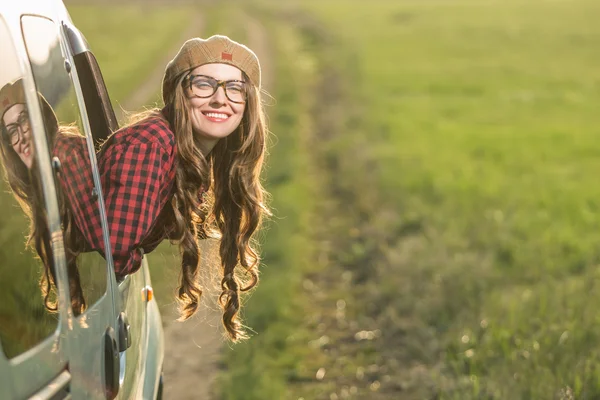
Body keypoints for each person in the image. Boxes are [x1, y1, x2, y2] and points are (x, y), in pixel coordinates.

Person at [97, 35, 270, 341]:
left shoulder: (185, 153)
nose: (220, 99)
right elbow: (108, 254)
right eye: (204, 84)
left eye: (235, 88)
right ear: (179, 93)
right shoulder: (150, 145)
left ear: (247, 103)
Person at [0, 78, 92, 315]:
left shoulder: (68, 155)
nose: (21, 136)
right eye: (12, 131)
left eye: (24, 120)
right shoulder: (43, 179)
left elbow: (95, 252)